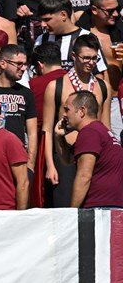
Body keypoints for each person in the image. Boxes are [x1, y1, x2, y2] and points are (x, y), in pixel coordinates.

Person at [41, 34, 111, 207]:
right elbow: (47, 129)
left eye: (95, 58)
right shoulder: (55, 86)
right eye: (86, 57)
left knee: (93, 211)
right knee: (65, 212)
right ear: (73, 56)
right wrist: (50, 165)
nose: (91, 62)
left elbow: (106, 126)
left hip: (94, 157)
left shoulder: (103, 86)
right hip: (65, 157)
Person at [60, 90, 123, 208]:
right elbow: (67, 159)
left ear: (82, 111)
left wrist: (72, 213)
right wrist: (59, 137)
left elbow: (84, 176)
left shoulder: (89, 133)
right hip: (111, 206)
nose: (64, 114)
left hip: (99, 208)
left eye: (67, 109)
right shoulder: (100, 131)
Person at [84, 0, 123, 136]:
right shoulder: (83, 34)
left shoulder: (120, 30)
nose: (115, 14)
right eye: (109, 11)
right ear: (94, 10)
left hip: (119, 98)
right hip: (96, 102)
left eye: (117, 8)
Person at [34, 0, 107, 74]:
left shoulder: (87, 37)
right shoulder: (41, 40)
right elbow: (35, 75)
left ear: (63, 15)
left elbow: (99, 74)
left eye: (47, 19)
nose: (43, 24)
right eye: (41, 20)